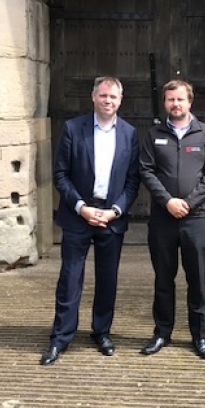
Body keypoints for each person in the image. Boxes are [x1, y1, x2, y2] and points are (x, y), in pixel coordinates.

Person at [40, 76, 140, 366]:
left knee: (107, 279)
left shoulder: (130, 134)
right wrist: (82, 207)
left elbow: (133, 181)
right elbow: (60, 175)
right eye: (103, 96)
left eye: (113, 97)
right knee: (70, 279)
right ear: (93, 97)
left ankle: (102, 332)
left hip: (111, 218)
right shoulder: (73, 129)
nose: (108, 101)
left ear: (120, 101)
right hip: (78, 215)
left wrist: (116, 211)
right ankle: (60, 338)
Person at [138, 79, 205, 360]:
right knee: (164, 279)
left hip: (196, 220)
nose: (175, 104)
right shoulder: (153, 135)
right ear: (165, 103)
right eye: (170, 100)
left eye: (180, 99)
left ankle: (200, 336)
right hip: (163, 221)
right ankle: (162, 332)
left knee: (197, 280)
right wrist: (167, 201)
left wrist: (188, 202)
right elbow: (146, 171)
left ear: (190, 102)